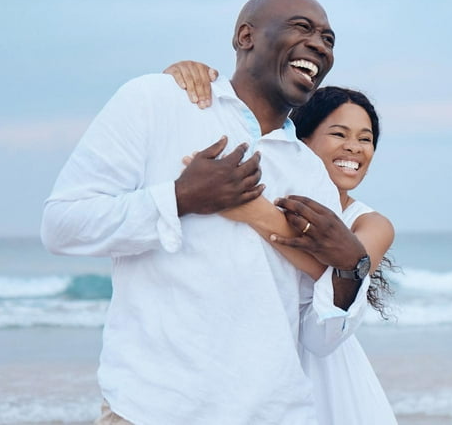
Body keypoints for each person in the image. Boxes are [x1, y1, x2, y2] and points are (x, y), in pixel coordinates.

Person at [41, 0, 374, 425]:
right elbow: (62, 225)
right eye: (302, 27)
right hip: (152, 409)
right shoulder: (156, 101)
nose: (319, 44)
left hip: (274, 413)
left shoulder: (311, 174)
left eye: (329, 39)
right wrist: (180, 199)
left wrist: (350, 270)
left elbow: (317, 337)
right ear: (245, 36)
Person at [167, 62, 398, 424]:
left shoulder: (370, 223)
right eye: (339, 134)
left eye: (365, 139)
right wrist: (181, 76)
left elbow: (348, 264)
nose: (354, 148)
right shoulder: (266, 187)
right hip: (248, 356)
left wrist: (254, 213)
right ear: (301, 141)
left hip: (327, 372)